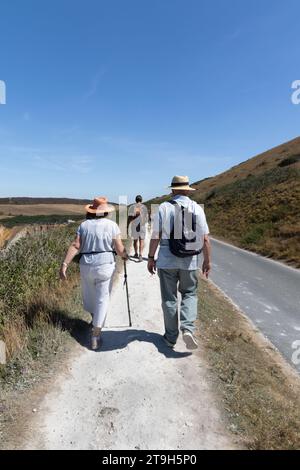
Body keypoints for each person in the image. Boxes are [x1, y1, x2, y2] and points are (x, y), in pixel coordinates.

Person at [147, 176, 211, 350]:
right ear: (187, 190)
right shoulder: (197, 208)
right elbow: (205, 239)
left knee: (169, 299)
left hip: (167, 258)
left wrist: (151, 257)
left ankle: (170, 337)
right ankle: (188, 329)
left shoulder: (164, 207)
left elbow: (156, 236)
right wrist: (207, 261)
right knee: (190, 293)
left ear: (173, 190)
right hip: (190, 259)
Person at [60, 197, 128, 350]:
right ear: (105, 212)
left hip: (87, 264)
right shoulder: (112, 225)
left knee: (89, 294)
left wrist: (64, 264)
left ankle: (94, 319)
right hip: (105, 264)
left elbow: (76, 245)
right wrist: (125, 255)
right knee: (103, 298)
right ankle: (96, 334)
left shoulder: (84, 225)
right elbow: (119, 248)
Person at [127, 195, 149, 262]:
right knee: (141, 240)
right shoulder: (144, 207)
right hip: (142, 225)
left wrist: (127, 226)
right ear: (141, 200)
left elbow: (129, 218)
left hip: (134, 225)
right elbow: (147, 218)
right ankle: (140, 255)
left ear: (135, 200)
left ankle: (136, 253)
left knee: (135, 240)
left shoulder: (132, 207)